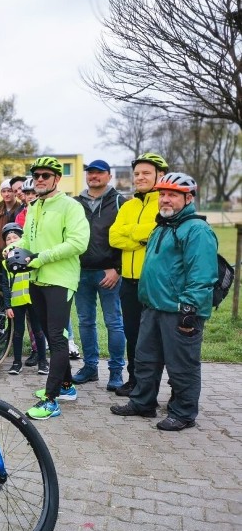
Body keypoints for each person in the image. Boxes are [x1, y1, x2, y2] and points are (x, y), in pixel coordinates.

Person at [111, 173, 217, 431]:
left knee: (182, 365)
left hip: (179, 311)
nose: (165, 200)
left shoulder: (196, 230)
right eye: (162, 195)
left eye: (172, 195)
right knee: (145, 359)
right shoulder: (162, 226)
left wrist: (189, 309)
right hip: (153, 307)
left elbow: (202, 275)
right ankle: (142, 403)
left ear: (188, 198)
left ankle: (183, 413)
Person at [7, 156, 89, 420]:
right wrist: (12, 251)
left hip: (60, 279)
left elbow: (78, 243)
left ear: (56, 178)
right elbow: (28, 239)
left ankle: (52, 400)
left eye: (45, 175)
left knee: (56, 336)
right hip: (36, 279)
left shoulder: (70, 206)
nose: (40, 179)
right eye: (37, 175)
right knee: (48, 332)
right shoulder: (34, 206)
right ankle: (66, 387)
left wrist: (40, 258)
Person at [108, 152, 169, 397]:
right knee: (132, 335)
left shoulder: (165, 202)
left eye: (146, 173)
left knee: (155, 338)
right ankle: (134, 380)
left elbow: (157, 233)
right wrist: (140, 235)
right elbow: (114, 236)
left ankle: (152, 387)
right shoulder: (129, 204)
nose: (140, 178)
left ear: (160, 175)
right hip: (129, 282)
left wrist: (130, 234)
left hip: (154, 283)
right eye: (136, 174)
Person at [72, 159, 128, 391]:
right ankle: (90, 367)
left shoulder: (119, 202)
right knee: (85, 322)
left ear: (108, 176)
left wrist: (117, 268)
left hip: (109, 273)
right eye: (90, 173)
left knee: (113, 322)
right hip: (81, 271)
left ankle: (116, 372)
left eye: (99, 173)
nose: (94, 176)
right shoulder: (75, 203)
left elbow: (125, 240)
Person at [1, 223, 45, 375]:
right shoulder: (5, 263)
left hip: (34, 300)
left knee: (38, 331)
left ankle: (43, 362)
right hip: (16, 302)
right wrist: (7, 306)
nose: (12, 240)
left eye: (15, 237)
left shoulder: (29, 255)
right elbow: (5, 285)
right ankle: (16, 362)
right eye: (8, 239)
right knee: (17, 332)